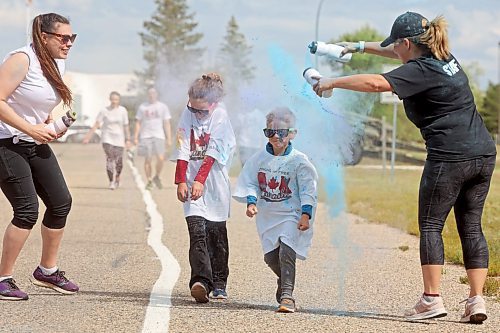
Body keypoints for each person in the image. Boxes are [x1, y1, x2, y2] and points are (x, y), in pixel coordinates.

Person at [313, 12, 496, 323]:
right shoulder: (443, 56)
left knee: (431, 226)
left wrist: (332, 81)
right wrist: (357, 47)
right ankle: (476, 301)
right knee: (471, 227)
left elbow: (374, 83)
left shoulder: (419, 71)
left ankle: (431, 299)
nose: (393, 51)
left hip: (448, 157)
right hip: (483, 154)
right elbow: (394, 52)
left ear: (408, 43)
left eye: (396, 45)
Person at [0, 13, 80, 301]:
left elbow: (36, 101)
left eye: (73, 37)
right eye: (64, 37)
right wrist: (30, 127)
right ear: (43, 37)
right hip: (6, 143)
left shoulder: (56, 61)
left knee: (61, 202)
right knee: (27, 210)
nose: (69, 43)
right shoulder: (21, 59)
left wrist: (48, 123)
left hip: (32, 139)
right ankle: (3, 278)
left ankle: (47, 271)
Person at [233, 107, 318, 313]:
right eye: (270, 132)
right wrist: (251, 202)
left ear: (292, 133)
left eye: (281, 132)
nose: (275, 137)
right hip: (268, 216)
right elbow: (250, 182)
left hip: (292, 214)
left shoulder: (299, 161)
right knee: (271, 258)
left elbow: (309, 189)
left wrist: (306, 215)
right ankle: (283, 279)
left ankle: (287, 296)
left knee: (287, 250)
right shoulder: (258, 159)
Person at [174, 73, 236, 303]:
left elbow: (213, 151)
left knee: (216, 235)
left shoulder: (220, 115)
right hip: (192, 184)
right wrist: (182, 179)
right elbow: (182, 146)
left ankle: (219, 282)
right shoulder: (187, 113)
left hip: (214, 184)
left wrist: (200, 180)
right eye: (194, 110)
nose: (197, 115)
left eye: (202, 111)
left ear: (214, 104)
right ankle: (200, 281)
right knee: (197, 232)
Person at [83, 91, 131, 190]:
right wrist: (88, 136)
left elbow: (126, 126)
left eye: (116, 99)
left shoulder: (123, 111)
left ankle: (117, 177)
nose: (114, 101)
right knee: (110, 158)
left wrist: (128, 139)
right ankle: (111, 181)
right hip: (107, 138)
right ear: (110, 99)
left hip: (119, 139)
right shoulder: (104, 111)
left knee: (119, 162)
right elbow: (97, 124)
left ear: (119, 100)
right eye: (113, 99)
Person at [134, 87, 172, 190]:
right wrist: (136, 136)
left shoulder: (162, 107)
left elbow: (166, 123)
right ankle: (149, 180)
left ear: (157, 95)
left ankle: (157, 176)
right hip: (146, 136)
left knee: (161, 158)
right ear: (147, 95)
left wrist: (169, 138)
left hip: (159, 135)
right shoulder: (143, 107)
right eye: (150, 93)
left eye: (154, 93)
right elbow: (138, 122)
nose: (152, 95)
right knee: (148, 159)